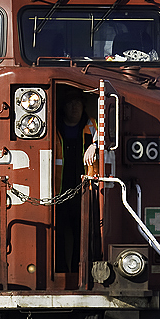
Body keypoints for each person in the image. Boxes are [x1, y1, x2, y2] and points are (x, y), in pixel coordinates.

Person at [56, 96, 98, 272]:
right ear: (63, 107)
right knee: (57, 232)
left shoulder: (92, 125)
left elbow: (109, 136)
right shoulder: (53, 126)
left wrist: (95, 145)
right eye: (70, 103)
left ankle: (78, 270)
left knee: (81, 232)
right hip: (57, 190)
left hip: (84, 190)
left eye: (77, 103)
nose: (74, 107)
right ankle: (59, 269)